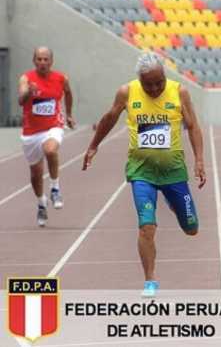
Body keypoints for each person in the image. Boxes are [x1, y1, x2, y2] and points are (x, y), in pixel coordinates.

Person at [82, 52, 206, 297]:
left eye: (158, 82)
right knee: (146, 226)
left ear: (164, 77)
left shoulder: (179, 92)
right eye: (148, 84)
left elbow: (192, 126)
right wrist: (94, 145)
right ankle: (150, 280)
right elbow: (109, 118)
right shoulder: (127, 92)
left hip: (173, 171)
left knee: (192, 228)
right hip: (141, 172)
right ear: (139, 80)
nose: (154, 88)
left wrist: (199, 160)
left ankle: (171, 200)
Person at [18, 47, 75, 227]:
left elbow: (69, 93)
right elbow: (20, 100)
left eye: (45, 59)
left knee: (50, 150)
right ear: (34, 61)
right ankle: (41, 202)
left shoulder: (61, 78)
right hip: (30, 133)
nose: (42, 62)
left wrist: (70, 114)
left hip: (53, 126)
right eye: (39, 59)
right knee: (35, 174)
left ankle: (55, 188)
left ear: (51, 61)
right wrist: (29, 92)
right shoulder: (26, 78)